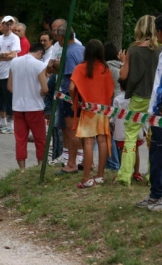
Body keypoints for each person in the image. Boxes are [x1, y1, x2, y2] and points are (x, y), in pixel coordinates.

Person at [115, 15, 162, 186]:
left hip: (137, 97)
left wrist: (124, 63)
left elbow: (123, 75)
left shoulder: (133, 50)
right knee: (154, 138)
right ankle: (152, 176)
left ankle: (125, 175)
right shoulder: (160, 49)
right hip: (156, 99)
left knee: (131, 136)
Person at [69, 39, 114, 188]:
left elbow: (71, 87)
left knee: (88, 142)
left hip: (88, 109)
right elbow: (111, 90)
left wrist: (75, 101)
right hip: (102, 109)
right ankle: (100, 176)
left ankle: (87, 178)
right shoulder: (105, 68)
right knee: (102, 141)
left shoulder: (81, 68)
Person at [8, 43, 48, 171]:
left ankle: (22, 169)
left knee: (20, 139)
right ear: (40, 53)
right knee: (40, 138)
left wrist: (20, 93)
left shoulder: (14, 62)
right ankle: (40, 165)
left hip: (18, 106)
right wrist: (40, 94)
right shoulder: (39, 65)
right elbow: (45, 89)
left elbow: (9, 86)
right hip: (35, 107)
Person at [136, 14, 162, 210]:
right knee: (154, 153)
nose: (155, 34)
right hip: (155, 112)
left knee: (159, 153)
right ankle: (155, 195)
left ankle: (158, 196)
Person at [54, 23, 85, 175]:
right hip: (84, 95)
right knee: (83, 131)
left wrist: (72, 99)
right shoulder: (82, 49)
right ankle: (86, 161)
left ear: (61, 38)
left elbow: (71, 77)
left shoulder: (67, 53)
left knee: (71, 130)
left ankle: (71, 163)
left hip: (70, 96)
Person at [0, 15, 21, 134]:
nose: (8, 26)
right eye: (6, 24)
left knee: (10, 100)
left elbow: (13, 55)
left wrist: (1, 55)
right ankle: (3, 122)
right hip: (0, 72)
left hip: (10, 73)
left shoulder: (15, 38)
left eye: (10, 24)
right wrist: (5, 54)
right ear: (3, 25)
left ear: (13, 26)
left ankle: (12, 125)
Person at [113, 79, 145, 180]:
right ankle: (136, 172)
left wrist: (113, 123)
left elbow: (114, 116)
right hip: (135, 129)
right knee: (136, 151)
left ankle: (124, 173)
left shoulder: (117, 99)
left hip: (121, 130)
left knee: (124, 152)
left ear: (121, 86)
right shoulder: (136, 99)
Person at [104, 42, 123, 171]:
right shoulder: (121, 67)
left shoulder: (107, 68)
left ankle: (113, 163)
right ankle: (118, 163)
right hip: (121, 102)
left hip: (110, 103)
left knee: (109, 135)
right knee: (119, 135)